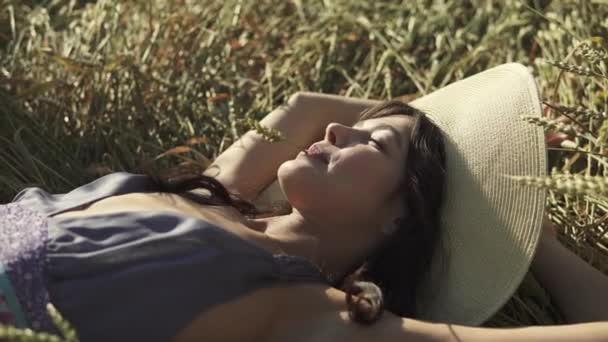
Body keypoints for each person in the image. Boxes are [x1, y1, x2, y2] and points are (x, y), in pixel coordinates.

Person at [0, 63, 606, 342]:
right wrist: (449, 139)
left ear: (401, 216)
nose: (338, 130)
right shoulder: (222, 194)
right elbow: (301, 108)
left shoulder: (311, 312)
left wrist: (529, 236)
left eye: (378, 141)